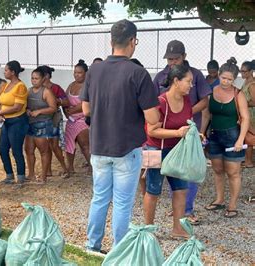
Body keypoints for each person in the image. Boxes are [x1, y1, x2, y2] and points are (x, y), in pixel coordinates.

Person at [81, 19, 160, 253]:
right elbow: (153, 118)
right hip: (127, 148)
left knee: (99, 198)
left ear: (111, 41)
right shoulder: (138, 73)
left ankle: (92, 246)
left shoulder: (94, 70)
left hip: (99, 146)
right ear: (133, 42)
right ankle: (118, 251)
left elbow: (85, 109)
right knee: (123, 203)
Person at [153, 40, 211, 225]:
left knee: (188, 172)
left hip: (186, 134)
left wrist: (185, 114)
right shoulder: (160, 76)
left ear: (184, 57)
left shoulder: (195, 75)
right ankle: (164, 217)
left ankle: (187, 210)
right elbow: (151, 104)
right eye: (169, 59)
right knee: (156, 181)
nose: (172, 62)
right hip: (161, 139)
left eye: (175, 58)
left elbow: (205, 100)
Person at [144, 64, 193, 238]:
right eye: (188, 81)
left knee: (181, 189)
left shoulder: (187, 101)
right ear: (176, 81)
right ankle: (148, 229)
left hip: (177, 151)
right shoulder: (161, 102)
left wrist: (195, 134)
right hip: (156, 149)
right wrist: (177, 133)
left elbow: (188, 123)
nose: (190, 85)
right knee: (153, 189)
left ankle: (177, 229)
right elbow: (151, 130)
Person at [201, 58, 250, 218]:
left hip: (232, 135)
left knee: (233, 172)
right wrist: (202, 132)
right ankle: (219, 199)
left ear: (234, 79)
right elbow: (207, 114)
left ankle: (232, 204)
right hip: (215, 134)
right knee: (217, 170)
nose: (226, 82)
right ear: (219, 76)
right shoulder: (212, 92)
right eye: (223, 78)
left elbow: (245, 118)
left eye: (230, 79)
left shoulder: (238, 94)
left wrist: (240, 139)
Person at [0, 60, 29, 187]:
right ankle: (9, 175)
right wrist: (1, 112)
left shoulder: (20, 86)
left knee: (16, 150)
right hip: (7, 120)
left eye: (6, 70)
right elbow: (4, 102)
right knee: (2, 148)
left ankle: (20, 178)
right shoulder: (7, 85)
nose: (5, 72)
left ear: (13, 72)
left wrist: (0, 112)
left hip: (17, 121)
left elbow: (17, 106)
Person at [25, 67, 57, 184]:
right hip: (30, 123)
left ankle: (43, 176)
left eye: (36, 78)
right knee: (28, 149)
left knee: (44, 150)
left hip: (43, 123)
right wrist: (28, 110)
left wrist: (39, 111)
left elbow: (53, 108)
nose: (34, 81)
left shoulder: (46, 92)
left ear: (43, 79)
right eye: (32, 78)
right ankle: (31, 174)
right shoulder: (28, 91)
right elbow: (25, 105)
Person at [38, 65, 69, 178]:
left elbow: (66, 102)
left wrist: (56, 100)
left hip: (53, 119)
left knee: (54, 145)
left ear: (45, 76)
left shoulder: (55, 88)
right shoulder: (39, 88)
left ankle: (65, 168)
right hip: (42, 119)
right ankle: (49, 170)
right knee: (46, 146)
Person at [64, 60, 90, 174]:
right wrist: (67, 111)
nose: (76, 74)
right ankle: (70, 167)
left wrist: (73, 110)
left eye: (79, 72)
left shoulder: (88, 86)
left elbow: (88, 102)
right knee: (69, 144)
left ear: (86, 73)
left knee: (84, 145)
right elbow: (65, 100)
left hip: (82, 119)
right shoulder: (71, 85)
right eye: (75, 72)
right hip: (70, 119)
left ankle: (92, 166)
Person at [240, 60, 255, 168]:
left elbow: (254, 101)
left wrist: (243, 104)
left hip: (251, 113)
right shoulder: (245, 82)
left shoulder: (252, 85)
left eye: (245, 72)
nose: (242, 73)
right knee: (246, 136)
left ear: (251, 71)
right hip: (245, 112)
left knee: (249, 137)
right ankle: (247, 159)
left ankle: (249, 161)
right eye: (241, 71)